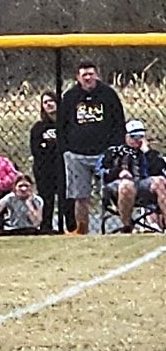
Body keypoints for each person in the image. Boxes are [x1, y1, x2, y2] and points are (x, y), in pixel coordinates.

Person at [58, 61, 125, 235]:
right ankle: (82, 232)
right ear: (78, 78)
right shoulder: (70, 97)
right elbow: (61, 126)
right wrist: (66, 150)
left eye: (90, 74)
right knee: (81, 197)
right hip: (77, 155)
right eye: (84, 75)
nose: (88, 78)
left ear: (97, 75)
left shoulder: (108, 94)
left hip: (105, 155)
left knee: (117, 191)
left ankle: (125, 227)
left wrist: (114, 150)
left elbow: (119, 124)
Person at [100, 119, 166, 232]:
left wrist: (146, 151)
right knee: (127, 185)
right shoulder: (114, 151)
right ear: (126, 136)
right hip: (119, 186)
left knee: (160, 182)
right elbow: (102, 172)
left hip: (143, 185)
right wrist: (119, 172)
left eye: (140, 136)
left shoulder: (149, 154)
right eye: (134, 136)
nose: (137, 140)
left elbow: (159, 170)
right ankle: (127, 226)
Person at [29, 92, 75, 233]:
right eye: (45, 102)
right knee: (46, 199)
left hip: (64, 167)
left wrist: (49, 146)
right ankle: (46, 227)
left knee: (66, 199)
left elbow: (70, 145)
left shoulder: (67, 125)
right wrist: (51, 147)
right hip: (44, 169)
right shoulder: (38, 127)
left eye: (51, 101)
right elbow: (36, 149)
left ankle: (71, 227)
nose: (48, 104)